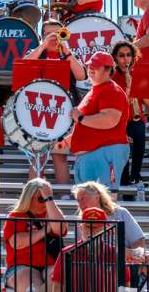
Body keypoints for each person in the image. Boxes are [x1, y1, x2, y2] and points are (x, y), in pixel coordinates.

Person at [24, 19, 86, 185]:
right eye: (48, 34)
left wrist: (66, 51)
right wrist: (43, 46)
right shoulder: (36, 51)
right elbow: (24, 66)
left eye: (57, 34)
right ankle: (32, 195)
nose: (53, 37)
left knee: (60, 156)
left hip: (63, 112)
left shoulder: (69, 54)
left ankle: (64, 196)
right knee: (37, 156)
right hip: (37, 109)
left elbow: (81, 76)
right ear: (42, 35)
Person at [72, 181, 149, 291]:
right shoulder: (81, 222)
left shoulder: (120, 213)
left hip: (126, 262)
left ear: (97, 197)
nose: (80, 203)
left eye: (83, 198)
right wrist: (119, 253)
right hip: (98, 263)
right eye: (78, 200)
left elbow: (139, 241)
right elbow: (82, 249)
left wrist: (136, 255)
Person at [69, 51, 129, 192]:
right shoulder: (97, 90)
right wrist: (70, 139)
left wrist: (80, 118)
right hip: (92, 155)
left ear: (108, 70)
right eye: (89, 66)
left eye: (95, 66)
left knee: (105, 201)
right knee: (89, 203)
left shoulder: (111, 90)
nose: (90, 69)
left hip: (104, 152)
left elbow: (109, 119)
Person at [3, 178, 67, 292]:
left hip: (50, 264)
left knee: (57, 275)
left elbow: (61, 230)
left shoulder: (51, 213)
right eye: (41, 198)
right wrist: (45, 230)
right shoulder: (16, 216)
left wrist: (49, 200)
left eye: (48, 198)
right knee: (31, 282)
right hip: (23, 265)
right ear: (29, 198)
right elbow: (17, 243)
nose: (45, 201)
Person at [51, 206, 125, 292]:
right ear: (81, 227)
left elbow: (126, 285)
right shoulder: (67, 253)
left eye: (95, 227)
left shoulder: (115, 254)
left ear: (106, 229)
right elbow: (57, 287)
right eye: (87, 226)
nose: (90, 231)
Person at [110, 40, 146, 186]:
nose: (125, 59)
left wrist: (141, 90)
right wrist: (128, 91)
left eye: (128, 55)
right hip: (119, 119)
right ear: (115, 58)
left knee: (140, 141)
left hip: (136, 116)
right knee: (123, 149)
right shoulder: (111, 77)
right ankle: (124, 179)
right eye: (121, 55)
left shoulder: (137, 73)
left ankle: (136, 175)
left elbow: (148, 103)